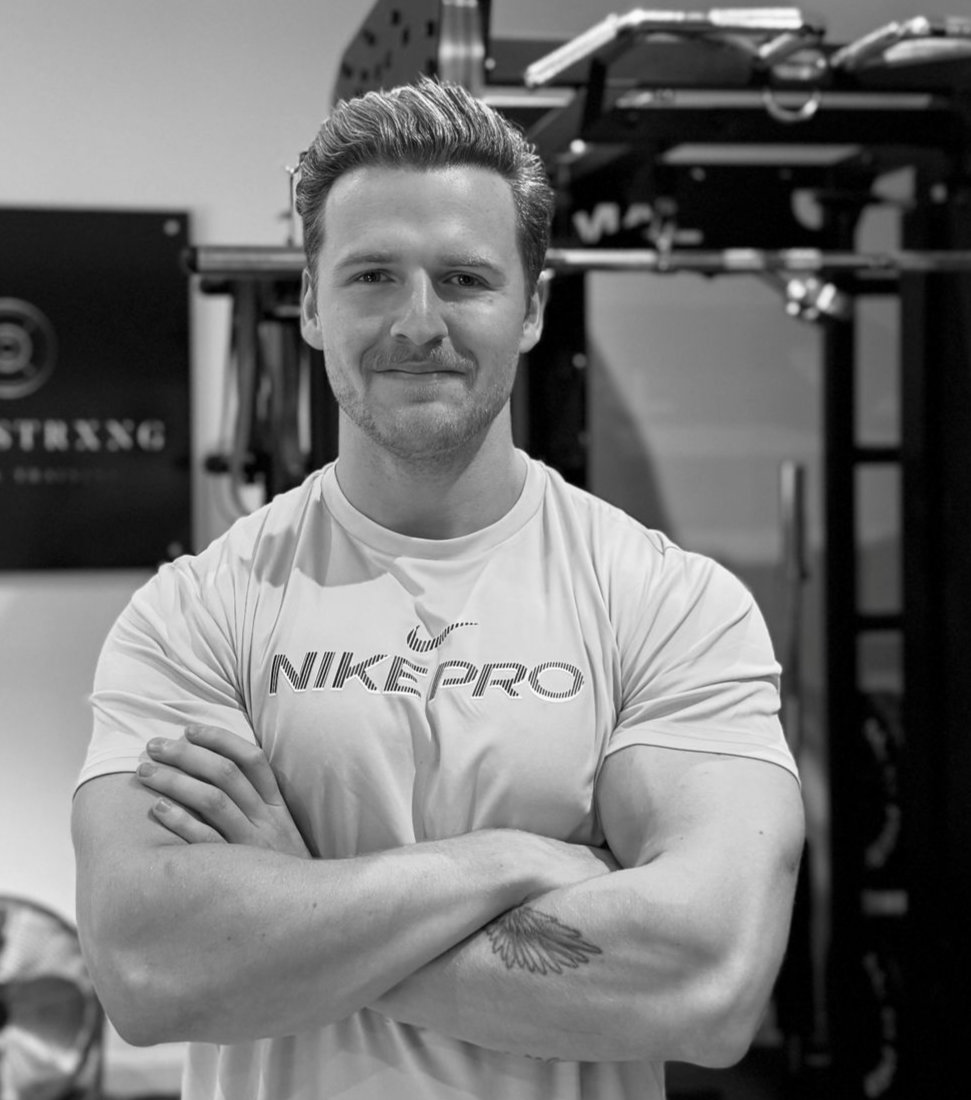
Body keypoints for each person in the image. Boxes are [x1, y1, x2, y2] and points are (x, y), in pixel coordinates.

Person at [71, 78, 804, 1100]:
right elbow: (151, 967)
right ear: (313, 304)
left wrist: (300, 905)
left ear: (532, 306)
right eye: (372, 275)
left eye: (464, 278)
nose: (419, 322)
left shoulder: (670, 604)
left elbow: (709, 979)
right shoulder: (197, 612)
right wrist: (506, 860)